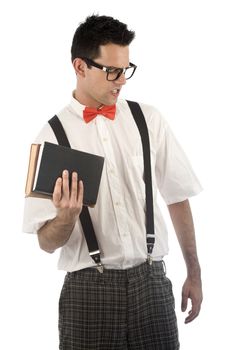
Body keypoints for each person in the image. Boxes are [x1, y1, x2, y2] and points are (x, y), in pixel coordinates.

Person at [22, 14, 203, 350]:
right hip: (87, 291)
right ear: (80, 67)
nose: (122, 80)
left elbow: (177, 197)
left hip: (152, 282)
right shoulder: (51, 138)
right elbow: (46, 243)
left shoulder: (148, 119)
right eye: (112, 71)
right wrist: (65, 217)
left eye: (126, 69)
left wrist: (195, 273)